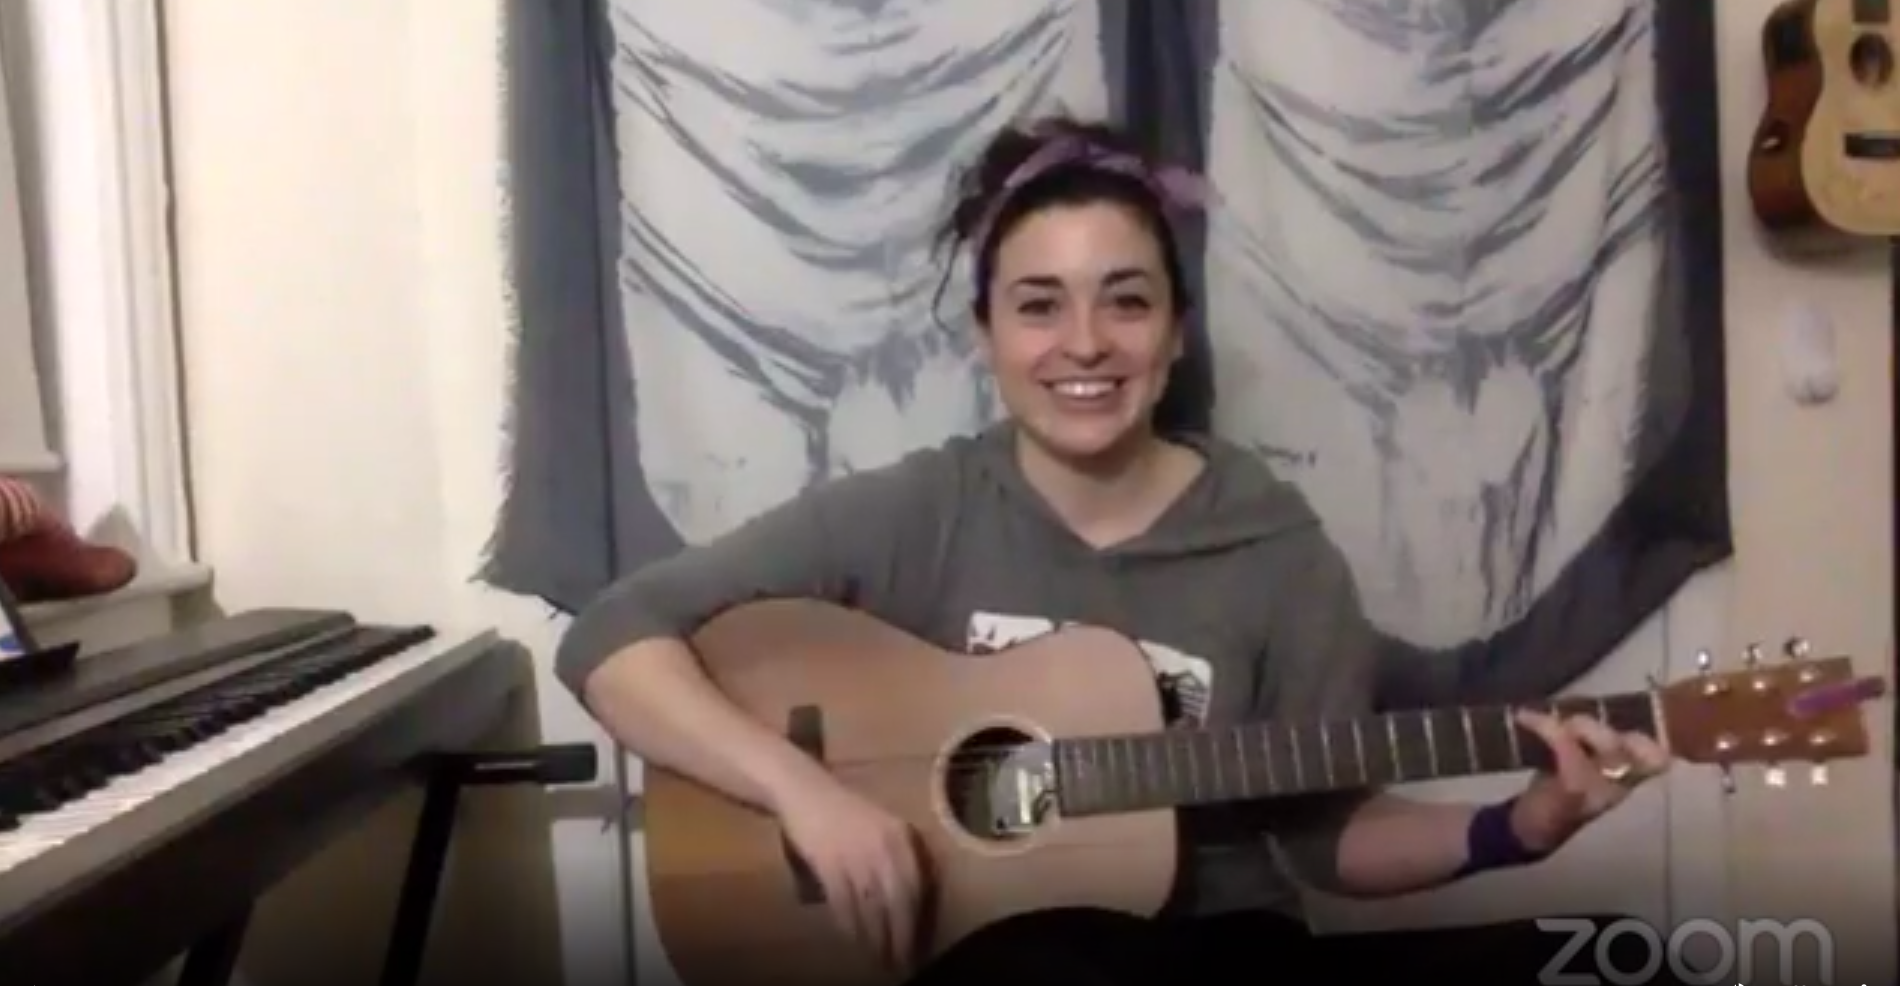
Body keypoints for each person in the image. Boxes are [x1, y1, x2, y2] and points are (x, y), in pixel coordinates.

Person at [556, 117, 1684, 986]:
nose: (1085, 344)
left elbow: (1328, 839)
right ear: (987, 334)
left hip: (1224, 952)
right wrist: (808, 795)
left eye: (1126, 302)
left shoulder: (1272, 544)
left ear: (1176, 331)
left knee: (1625, 960)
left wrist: (1514, 827)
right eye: (1039, 305)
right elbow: (612, 639)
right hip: (991, 962)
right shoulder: (925, 509)